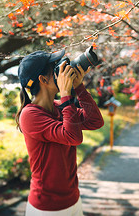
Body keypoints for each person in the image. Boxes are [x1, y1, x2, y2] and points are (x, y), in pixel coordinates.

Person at [16, 49, 104, 215]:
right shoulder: (30, 115)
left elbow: (95, 121)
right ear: (43, 79)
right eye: (55, 68)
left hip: (73, 199)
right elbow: (73, 137)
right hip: (48, 208)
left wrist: (78, 87)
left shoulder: (59, 106)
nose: (62, 71)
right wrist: (65, 94)